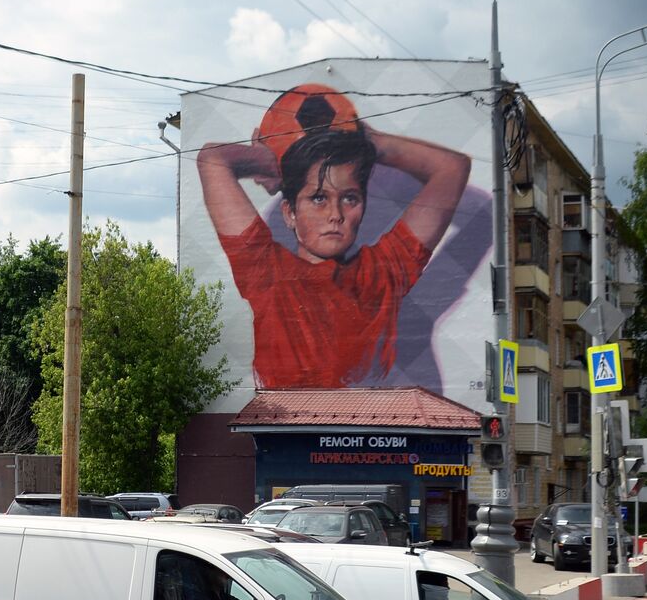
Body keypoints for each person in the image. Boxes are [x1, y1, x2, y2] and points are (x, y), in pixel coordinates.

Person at [197, 85, 470, 389]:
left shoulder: (382, 273)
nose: (335, 214)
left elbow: (453, 167)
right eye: (318, 198)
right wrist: (282, 159)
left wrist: (372, 143)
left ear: (363, 206)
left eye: (350, 198)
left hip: (374, 427)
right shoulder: (266, 272)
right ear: (289, 213)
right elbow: (212, 159)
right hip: (288, 426)